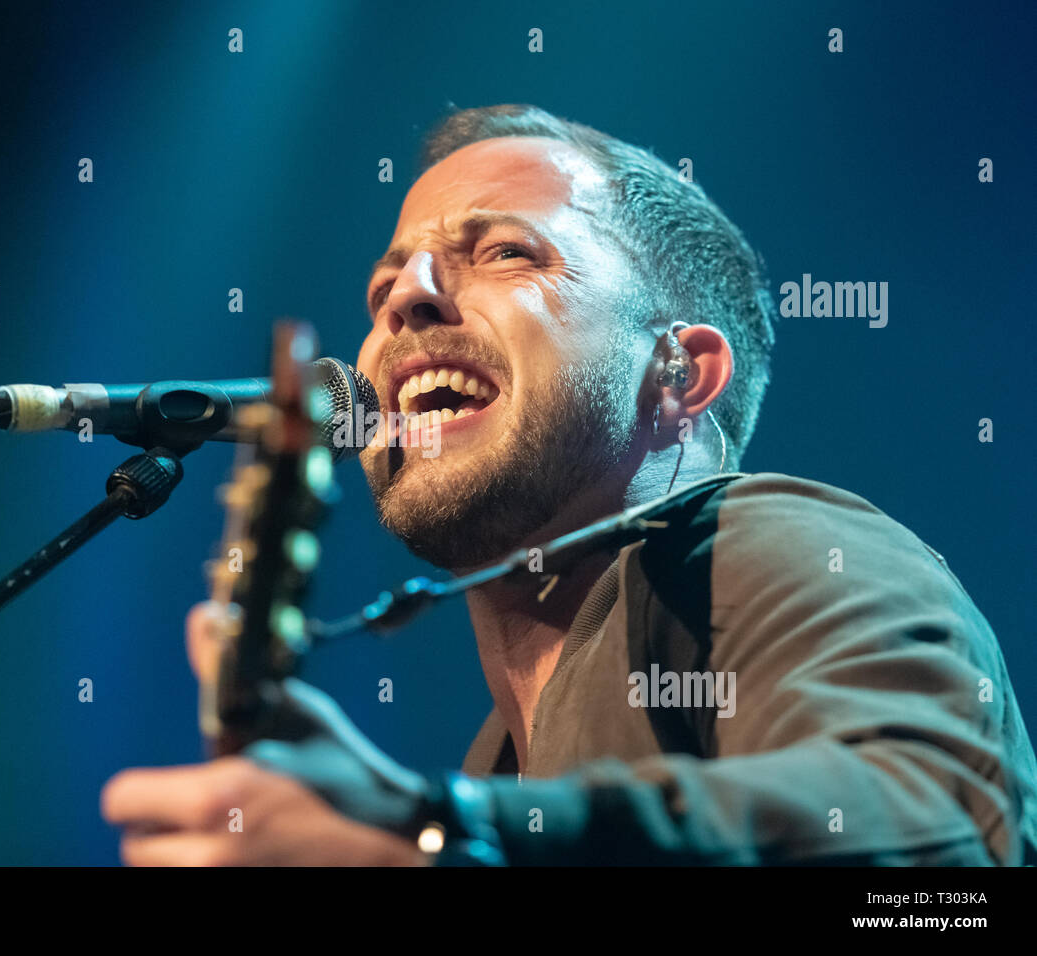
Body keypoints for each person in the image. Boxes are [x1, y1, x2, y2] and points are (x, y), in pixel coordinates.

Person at [100, 104, 1037, 865]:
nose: (405, 297)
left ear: (680, 373)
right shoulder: (499, 763)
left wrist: (434, 833)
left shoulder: (756, 538)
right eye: (383, 288)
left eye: (507, 251)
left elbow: (940, 835)